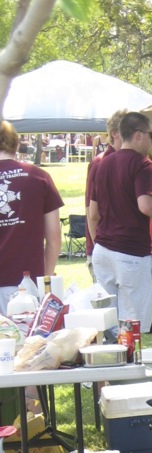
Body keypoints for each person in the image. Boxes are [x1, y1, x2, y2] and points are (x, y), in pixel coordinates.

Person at [89, 112, 152, 332]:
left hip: (103, 250)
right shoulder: (143, 164)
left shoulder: (102, 164)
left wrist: (99, 244)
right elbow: (146, 206)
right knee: (133, 326)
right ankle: (130, 364)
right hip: (131, 252)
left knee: (106, 324)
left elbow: (93, 213)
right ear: (139, 135)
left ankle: (110, 363)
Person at [0, 120, 63, 314]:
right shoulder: (39, 177)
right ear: (17, 144)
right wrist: (45, 277)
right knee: (28, 343)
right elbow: (54, 238)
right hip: (27, 282)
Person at [85, 109, 127, 282]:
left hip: (126, 249)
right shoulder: (101, 163)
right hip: (105, 248)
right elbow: (92, 212)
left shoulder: (130, 161)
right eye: (130, 131)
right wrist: (99, 249)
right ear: (115, 134)